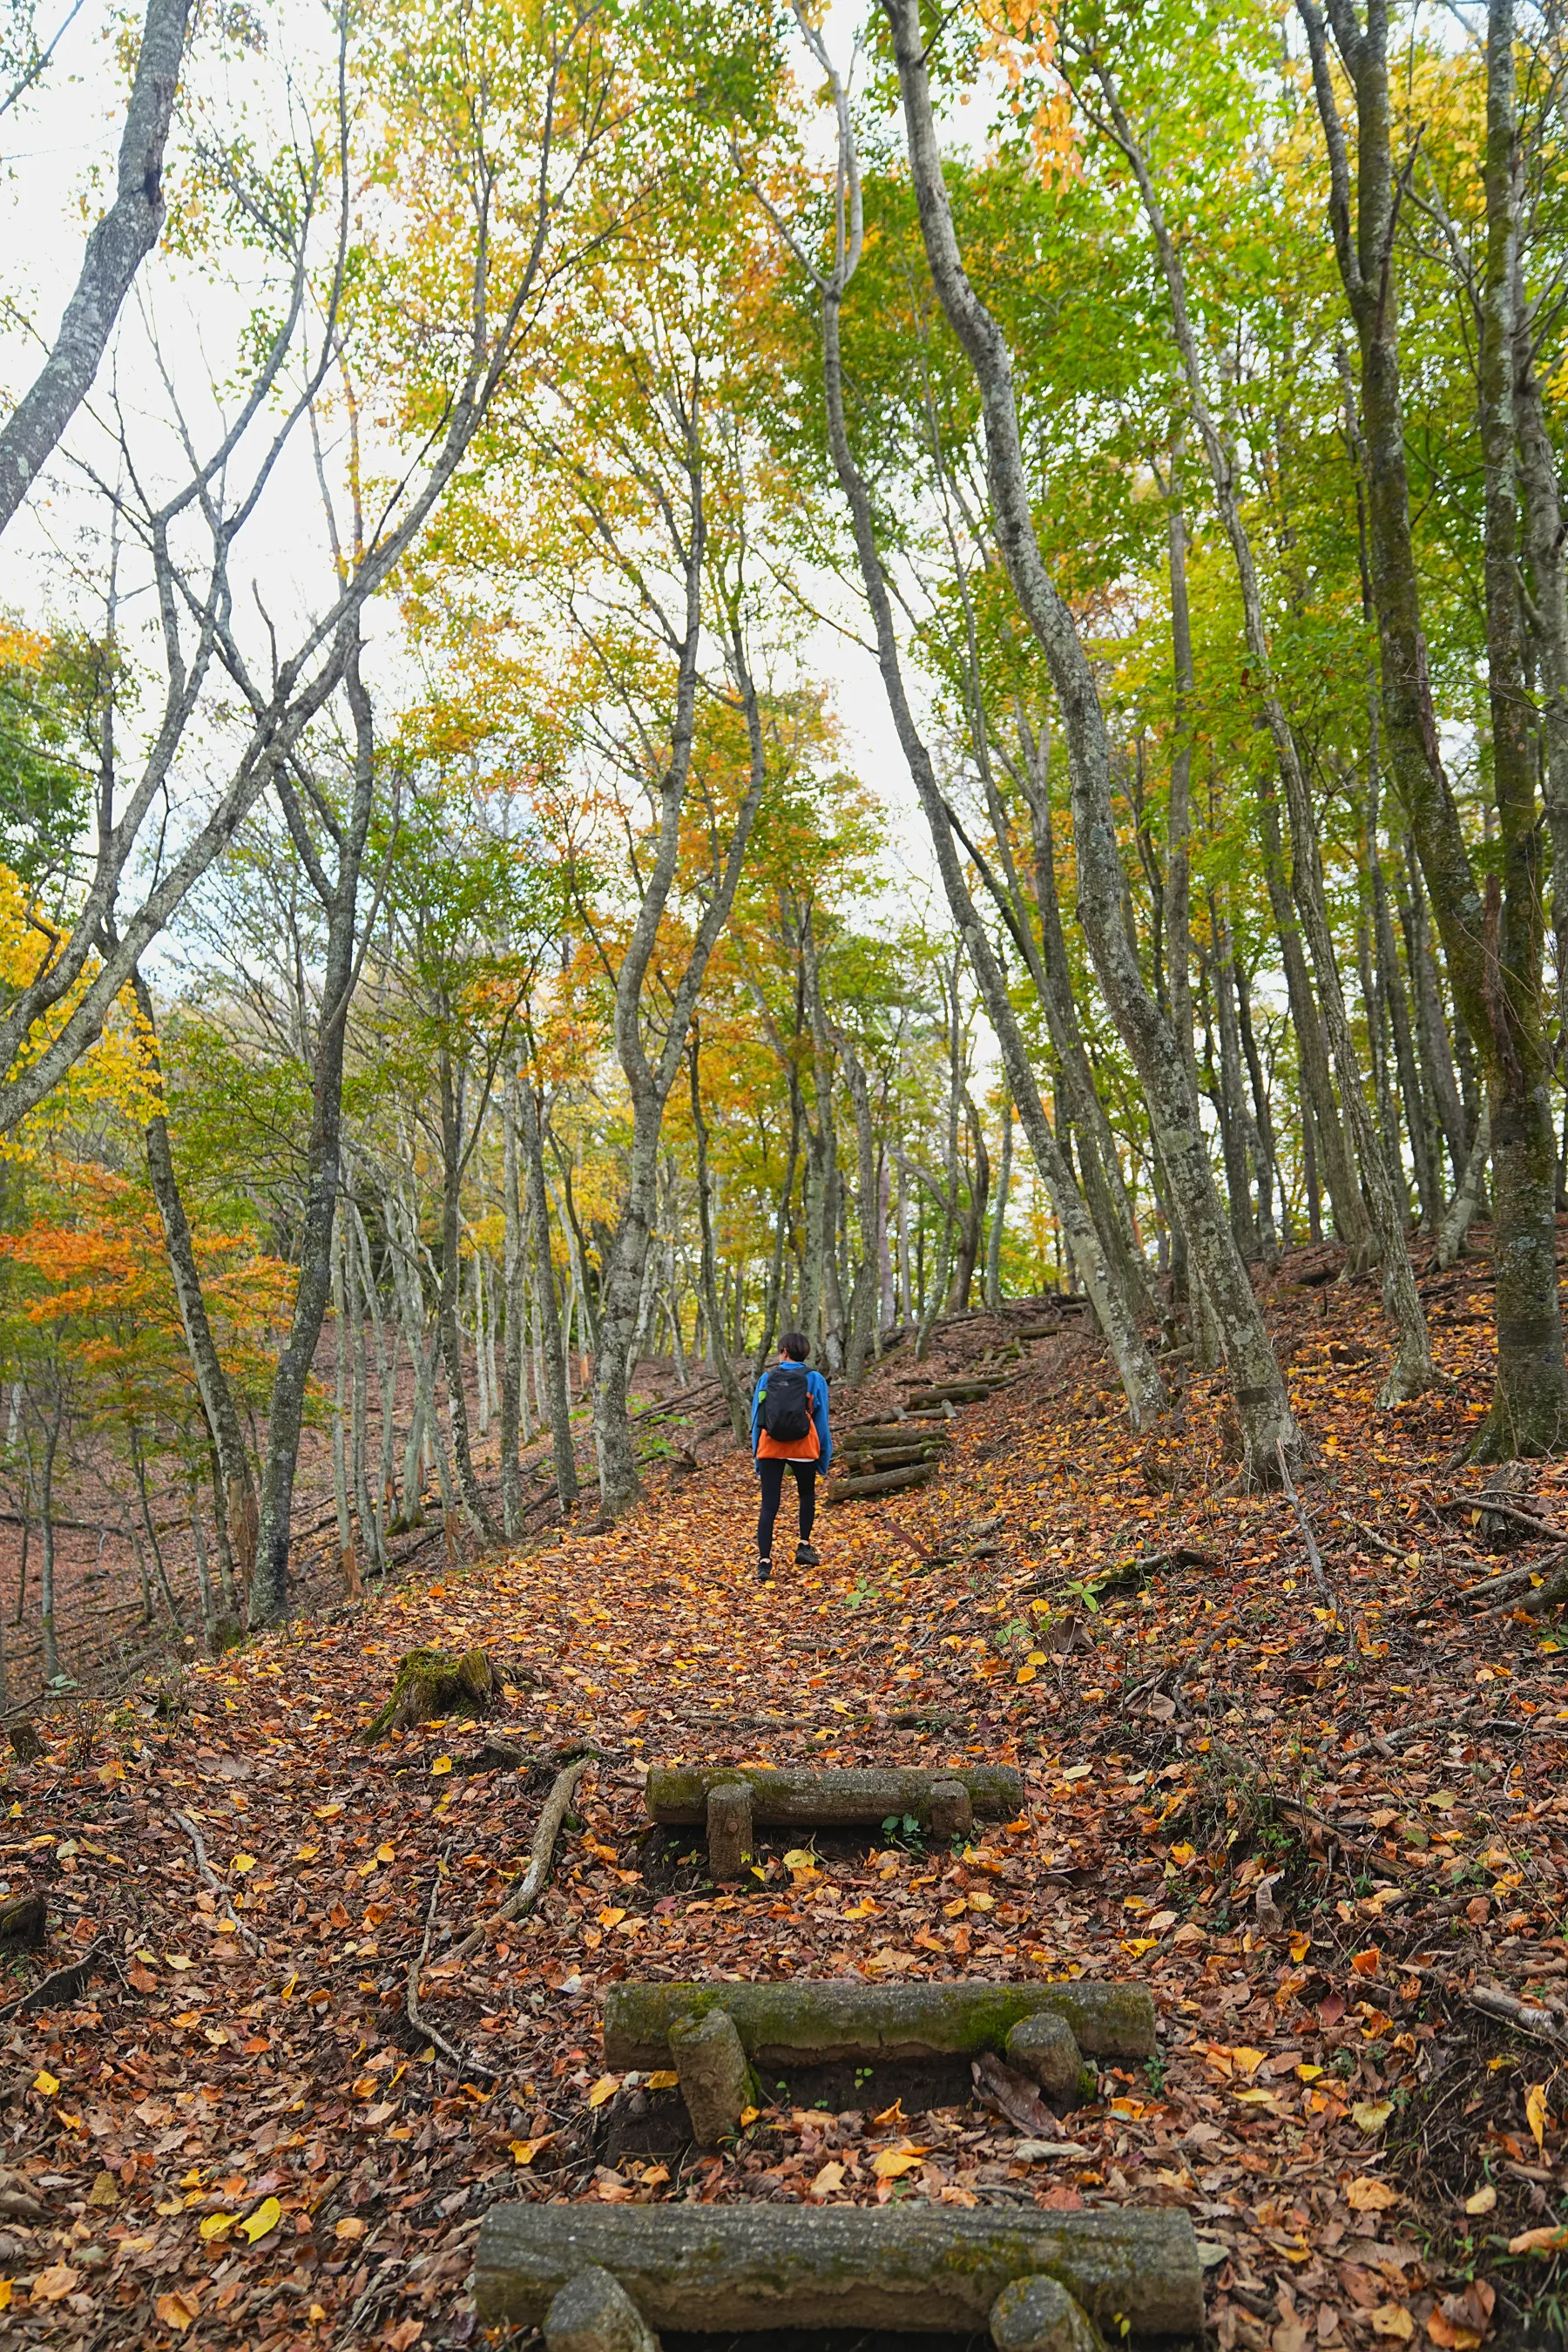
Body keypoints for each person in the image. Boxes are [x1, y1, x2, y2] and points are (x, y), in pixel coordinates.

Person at [749, 1330, 832, 1585]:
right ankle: (804, 1546)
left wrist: (756, 1455)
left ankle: (764, 1561)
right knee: (806, 1495)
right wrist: (823, 1457)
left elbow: (757, 1419)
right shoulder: (815, 1378)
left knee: (768, 1505)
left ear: (784, 1351)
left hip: (770, 1447)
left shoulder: (767, 1378)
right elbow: (822, 1420)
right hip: (803, 1446)